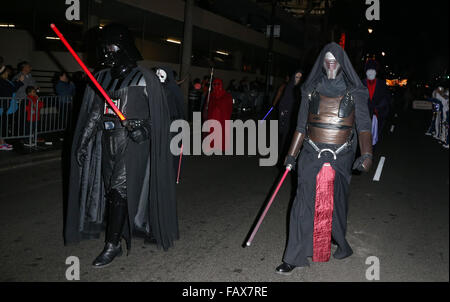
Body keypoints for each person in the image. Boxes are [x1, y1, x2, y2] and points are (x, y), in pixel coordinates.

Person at [65, 24, 178, 268]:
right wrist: (82, 142)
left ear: (124, 47)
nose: (107, 52)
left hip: (131, 146)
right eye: (104, 47)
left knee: (118, 192)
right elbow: (95, 113)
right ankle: (121, 232)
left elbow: (160, 117)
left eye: (111, 46)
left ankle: (112, 245)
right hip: (106, 142)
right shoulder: (103, 77)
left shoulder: (144, 77)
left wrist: (144, 128)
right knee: (109, 192)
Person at [275, 42, 373, 275]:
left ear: (341, 63)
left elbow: (363, 127)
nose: (331, 63)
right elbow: (300, 126)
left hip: (342, 155)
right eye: (327, 60)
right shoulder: (310, 89)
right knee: (302, 203)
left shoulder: (355, 91)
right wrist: (291, 155)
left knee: (337, 204)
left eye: (335, 59)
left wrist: (367, 154)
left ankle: (339, 241)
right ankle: (293, 256)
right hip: (311, 152)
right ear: (322, 62)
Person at [154, 66, 186, 178]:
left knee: (171, 150)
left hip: (173, 123)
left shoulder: (172, 89)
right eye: (157, 74)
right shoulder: (155, 89)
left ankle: (171, 172)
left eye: (161, 75)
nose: (159, 77)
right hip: (159, 123)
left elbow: (180, 106)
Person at [362, 60, 391, 146]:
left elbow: (386, 100)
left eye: (373, 71)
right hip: (364, 116)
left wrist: (377, 109)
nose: (371, 73)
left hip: (377, 116)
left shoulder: (382, 85)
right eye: (368, 71)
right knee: (363, 139)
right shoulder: (361, 84)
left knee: (373, 140)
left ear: (376, 72)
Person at [277, 70, 303, 161]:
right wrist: (283, 112)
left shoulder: (302, 88)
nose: (298, 79)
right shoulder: (289, 87)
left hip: (299, 117)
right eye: (296, 77)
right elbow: (283, 101)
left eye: (300, 77)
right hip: (289, 116)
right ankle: (283, 157)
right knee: (287, 136)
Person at [0, 61, 24, 151]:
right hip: (2, 106)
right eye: (6, 72)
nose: (8, 73)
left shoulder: (5, 80)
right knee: (2, 125)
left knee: (3, 125)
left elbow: (11, 87)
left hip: (5, 106)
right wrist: (20, 82)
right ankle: (1, 144)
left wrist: (17, 82)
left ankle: (3, 142)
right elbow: (11, 89)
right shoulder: (2, 81)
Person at [205, 78, 233, 152]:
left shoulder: (226, 95)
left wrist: (218, 103)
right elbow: (209, 105)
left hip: (221, 116)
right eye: (214, 84)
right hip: (213, 116)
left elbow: (227, 105)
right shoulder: (211, 95)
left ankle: (222, 147)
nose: (216, 86)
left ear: (221, 85)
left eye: (218, 84)